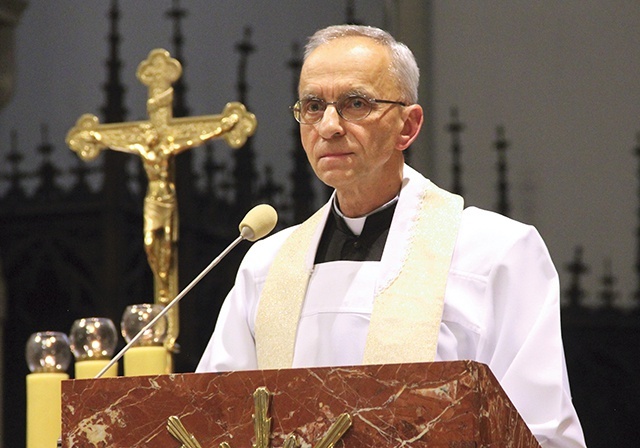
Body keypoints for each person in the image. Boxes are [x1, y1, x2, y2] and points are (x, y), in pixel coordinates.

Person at [197, 24, 586, 447]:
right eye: (313, 105)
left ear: (408, 126)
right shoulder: (266, 265)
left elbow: (539, 430)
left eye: (356, 103)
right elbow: (213, 420)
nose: (329, 126)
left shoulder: (496, 253)